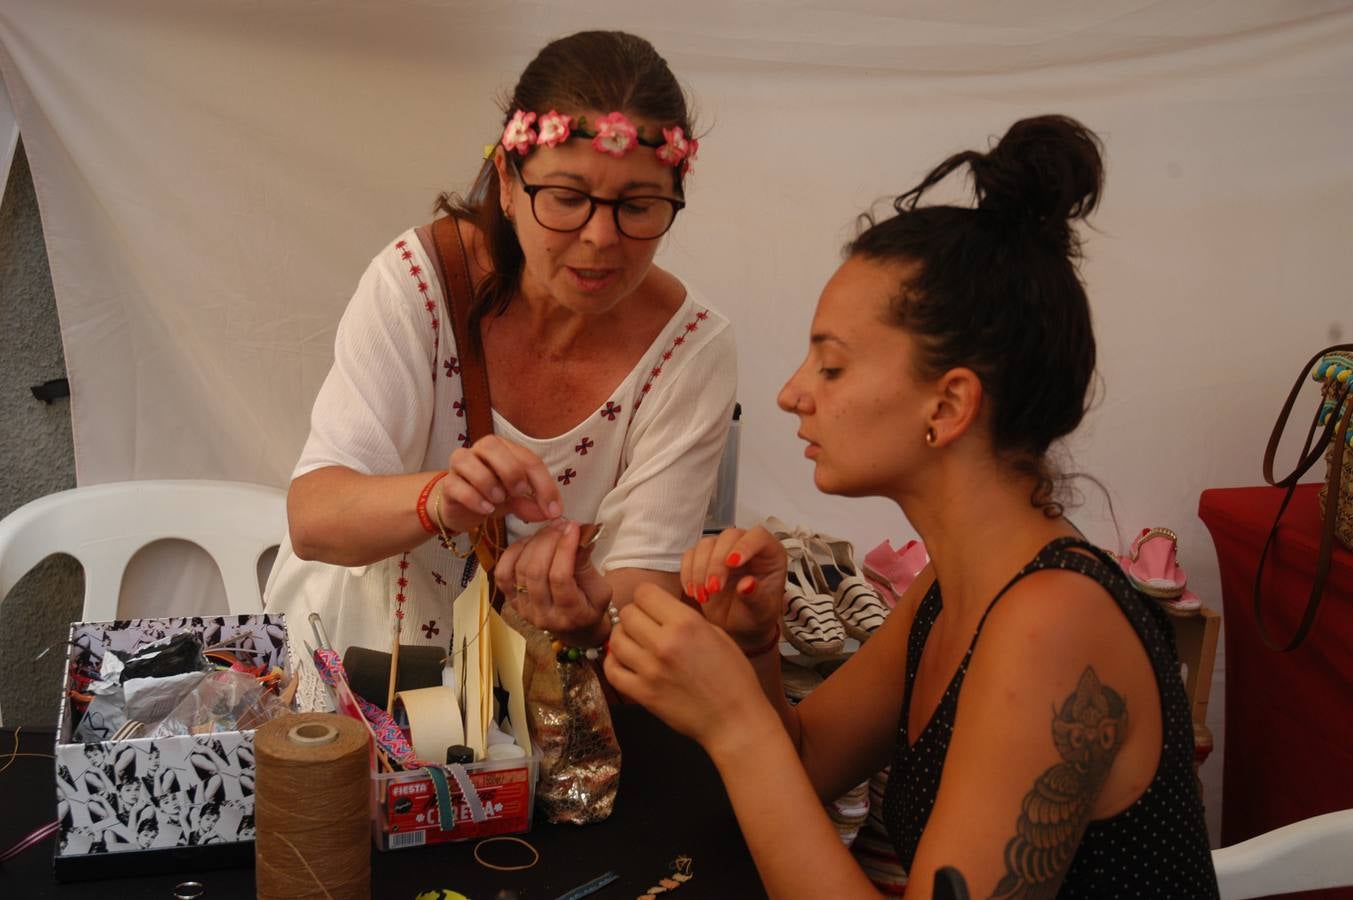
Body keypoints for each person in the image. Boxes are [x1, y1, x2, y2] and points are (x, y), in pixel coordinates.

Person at [604, 116, 1220, 898]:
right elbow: (803, 766)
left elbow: (763, 761)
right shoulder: (953, 590)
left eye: (830, 366)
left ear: (949, 404)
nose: (792, 393)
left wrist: (731, 723)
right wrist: (756, 647)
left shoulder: (1050, 623)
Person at [263, 30, 736, 710]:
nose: (600, 238)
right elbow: (316, 516)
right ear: (508, 185)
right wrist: (439, 498)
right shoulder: (417, 283)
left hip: (539, 703)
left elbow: (644, 580)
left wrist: (588, 614)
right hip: (356, 678)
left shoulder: (692, 349)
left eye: (636, 206)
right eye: (566, 197)